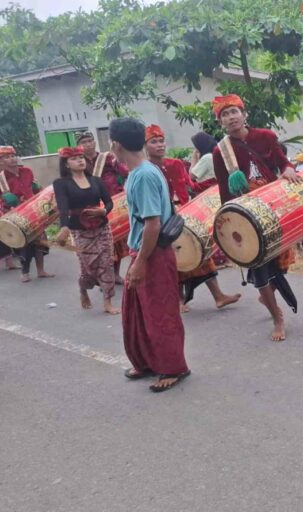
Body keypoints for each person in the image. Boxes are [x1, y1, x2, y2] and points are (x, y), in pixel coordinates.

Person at [211, 94, 301, 342]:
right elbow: (223, 189)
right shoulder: (220, 152)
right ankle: (277, 316)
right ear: (220, 122)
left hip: (273, 207)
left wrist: (289, 170)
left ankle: (268, 294)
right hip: (247, 213)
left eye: (233, 112)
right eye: (224, 115)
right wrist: (227, 222)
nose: (230, 118)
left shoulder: (266, 137)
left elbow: (284, 165)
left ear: (244, 114)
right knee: (259, 268)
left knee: (281, 263)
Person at [111, 117, 190, 392]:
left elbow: (152, 223)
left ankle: (173, 367)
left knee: (160, 312)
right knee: (138, 312)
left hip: (152, 253)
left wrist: (141, 262)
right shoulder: (140, 171)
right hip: (145, 250)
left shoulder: (143, 175)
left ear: (116, 145)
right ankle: (146, 360)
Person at [144, 124, 241, 313]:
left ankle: (219, 296)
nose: (159, 145)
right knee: (175, 259)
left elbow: (191, 186)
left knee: (200, 253)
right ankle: (179, 300)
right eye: (154, 142)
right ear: (145, 146)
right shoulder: (145, 170)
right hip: (162, 218)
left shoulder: (175, 164)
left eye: (161, 141)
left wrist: (218, 183)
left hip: (186, 216)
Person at [53, 146, 119, 314]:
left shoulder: (96, 180)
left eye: (81, 157)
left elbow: (109, 202)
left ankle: (108, 302)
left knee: (107, 264)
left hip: (102, 227)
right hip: (80, 230)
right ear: (66, 164)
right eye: (74, 158)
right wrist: (64, 227)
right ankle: (83, 289)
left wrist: (103, 211)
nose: (80, 160)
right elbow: (63, 208)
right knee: (88, 266)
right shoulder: (61, 183)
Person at [76, 131, 131, 285]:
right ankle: (99, 276)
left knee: (116, 240)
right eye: (84, 142)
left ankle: (114, 274)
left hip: (112, 202)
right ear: (79, 146)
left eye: (90, 141)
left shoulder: (107, 158)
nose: (88, 144)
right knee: (97, 242)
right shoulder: (78, 162)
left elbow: (125, 171)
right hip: (91, 205)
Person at [0, 145, 54, 282]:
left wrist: (39, 190)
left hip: (33, 210)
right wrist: (6, 203)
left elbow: (36, 188)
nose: (11, 159)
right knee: (25, 243)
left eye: (12, 156)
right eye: (7, 157)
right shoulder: (2, 179)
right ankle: (25, 272)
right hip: (16, 214)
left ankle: (41, 270)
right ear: (1, 161)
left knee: (40, 241)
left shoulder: (27, 171)